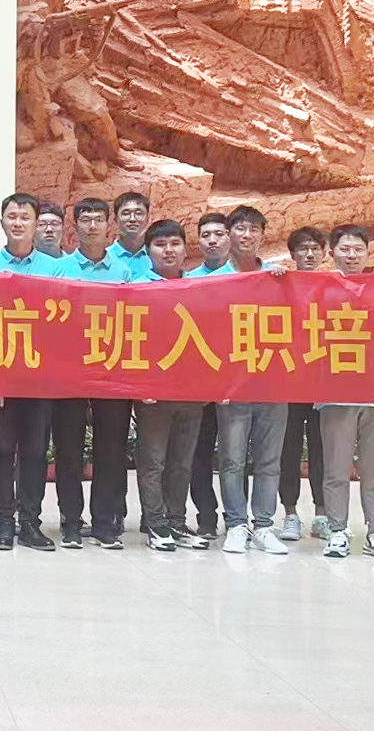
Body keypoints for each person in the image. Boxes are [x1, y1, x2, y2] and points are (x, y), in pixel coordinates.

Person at [0, 193, 64, 551]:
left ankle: (30, 522)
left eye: (24, 217)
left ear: (35, 223)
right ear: (2, 223)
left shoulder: (55, 269)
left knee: (34, 451)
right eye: (11, 216)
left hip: (40, 377)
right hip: (1, 375)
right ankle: (4, 521)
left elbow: (59, 324)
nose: (18, 223)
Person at [51, 197, 133, 550]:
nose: (93, 225)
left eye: (99, 219)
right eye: (86, 219)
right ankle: (71, 521)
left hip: (110, 371)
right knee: (68, 449)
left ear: (109, 225)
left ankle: (104, 524)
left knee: (110, 451)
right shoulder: (59, 270)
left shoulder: (124, 273)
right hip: (68, 372)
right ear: (75, 226)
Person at [211, 205, 291, 556]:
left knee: (269, 460)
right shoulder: (214, 280)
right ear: (229, 233)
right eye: (240, 228)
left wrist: (286, 283)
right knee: (231, 460)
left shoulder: (277, 277)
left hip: (273, 381)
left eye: (254, 229)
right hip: (232, 384)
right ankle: (235, 524)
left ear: (262, 235)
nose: (247, 235)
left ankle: (264, 525)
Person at [317, 225, 374, 560]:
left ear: (368, 254)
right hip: (335, 393)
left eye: (358, 250)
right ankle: (337, 531)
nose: (351, 256)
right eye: (344, 249)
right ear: (332, 252)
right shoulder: (318, 290)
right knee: (336, 469)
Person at [130, 220, 210, 552]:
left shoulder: (199, 288)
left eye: (174, 243)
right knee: (153, 462)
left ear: (184, 249)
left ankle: (176, 522)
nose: (168, 250)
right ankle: (156, 524)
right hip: (152, 394)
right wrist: (139, 386)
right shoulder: (134, 289)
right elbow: (129, 342)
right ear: (148, 251)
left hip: (191, 392)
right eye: (160, 244)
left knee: (181, 462)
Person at [278, 225, 329, 542]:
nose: (309, 254)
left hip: (324, 382)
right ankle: (290, 514)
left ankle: (322, 514)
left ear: (324, 254)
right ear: (293, 254)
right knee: (288, 450)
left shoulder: (334, 287)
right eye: (303, 249)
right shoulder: (281, 286)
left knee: (323, 450)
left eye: (315, 249)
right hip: (288, 381)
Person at [185, 211, 232, 538]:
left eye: (219, 234)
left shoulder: (249, 277)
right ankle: (206, 516)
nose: (212, 240)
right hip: (199, 384)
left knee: (235, 456)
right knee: (198, 455)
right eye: (206, 235)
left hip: (236, 382)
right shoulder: (188, 280)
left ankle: (238, 518)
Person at [106, 192, 153, 279]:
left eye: (138, 213)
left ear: (147, 219)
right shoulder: (104, 258)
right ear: (115, 219)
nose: (132, 219)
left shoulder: (157, 258)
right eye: (126, 213)